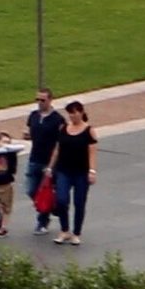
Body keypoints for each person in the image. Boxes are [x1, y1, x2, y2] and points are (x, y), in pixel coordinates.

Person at [21, 91, 67, 238]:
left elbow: (60, 144)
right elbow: (30, 132)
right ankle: (49, 208)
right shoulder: (33, 116)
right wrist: (27, 135)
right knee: (30, 189)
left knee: (46, 191)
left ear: (50, 100)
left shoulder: (57, 120)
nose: (40, 102)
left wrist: (51, 165)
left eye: (43, 100)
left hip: (50, 162)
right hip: (35, 158)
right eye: (37, 99)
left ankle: (42, 220)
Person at [51, 100, 97, 244]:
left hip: (81, 172)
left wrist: (92, 170)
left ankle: (76, 232)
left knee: (79, 202)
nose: (72, 116)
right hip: (64, 170)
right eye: (70, 113)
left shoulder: (89, 130)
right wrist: (50, 166)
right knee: (61, 200)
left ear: (81, 113)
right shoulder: (63, 128)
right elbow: (57, 149)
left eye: (75, 112)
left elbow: (92, 152)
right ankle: (64, 230)